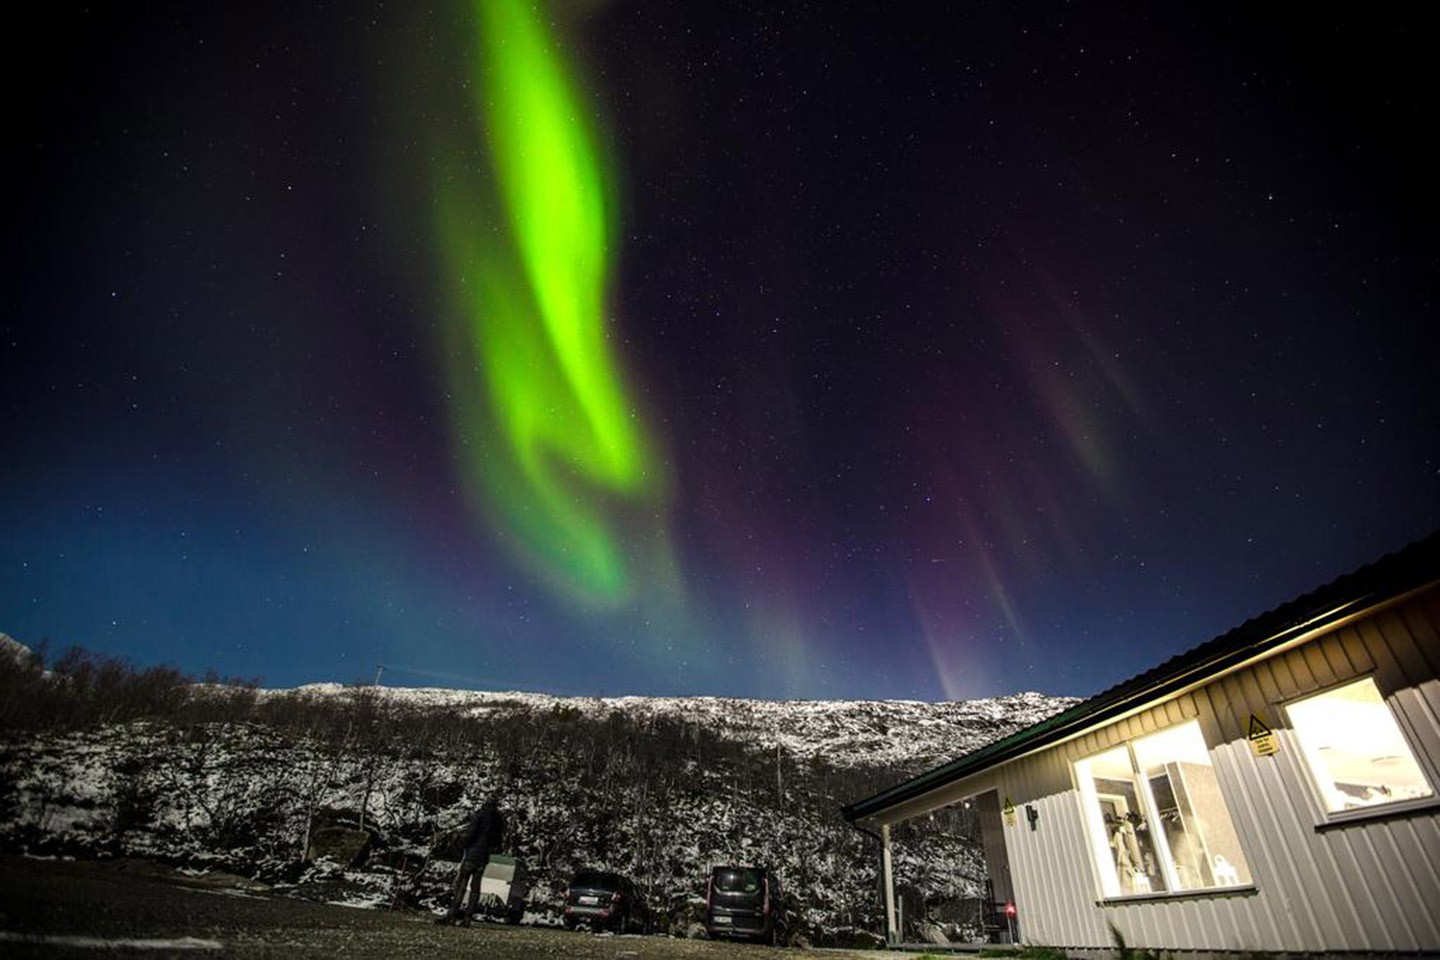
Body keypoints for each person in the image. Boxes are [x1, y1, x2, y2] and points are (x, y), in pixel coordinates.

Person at [437, 796, 505, 926]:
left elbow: (470, 833)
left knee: (461, 886)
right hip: (484, 857)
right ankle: (467, 919)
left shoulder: (480, 815)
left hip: (472, 854)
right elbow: (497, 842)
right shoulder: (498, 821)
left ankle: (451, 916)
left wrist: (461, 845)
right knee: (475, 888)